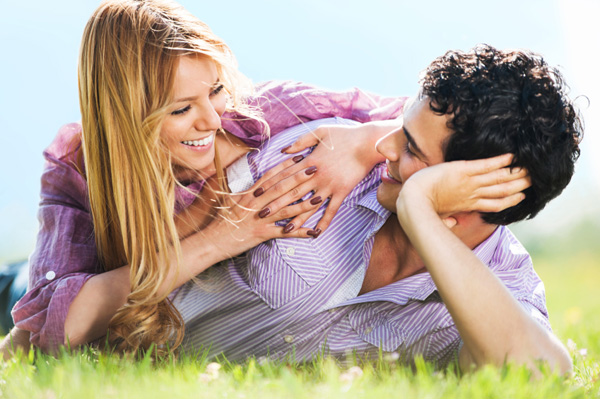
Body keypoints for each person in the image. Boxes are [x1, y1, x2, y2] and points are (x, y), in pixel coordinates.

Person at [3, 0, 406, 356]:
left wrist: (362, 141)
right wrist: (217, 237)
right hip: (33, 285)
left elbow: (433, 121)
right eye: (181, 110)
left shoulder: (271, 111)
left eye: (215, 90)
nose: (212, 121)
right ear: (125, 119)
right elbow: (57, 325)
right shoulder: (81, 164)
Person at [165, 45, 579, 374]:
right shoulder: (321, 162)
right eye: (399, 128)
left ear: (471, 186)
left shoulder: (504, 288)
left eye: (411, 149)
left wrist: (420, 209)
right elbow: (143, 242)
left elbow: (538, 374)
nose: (384, 147)